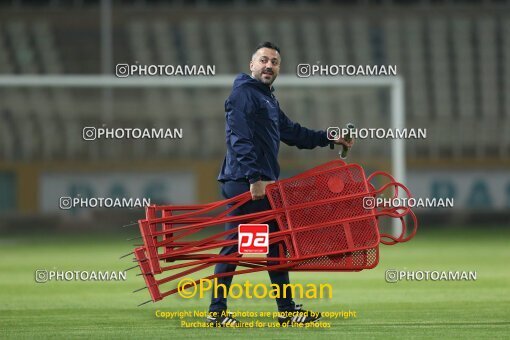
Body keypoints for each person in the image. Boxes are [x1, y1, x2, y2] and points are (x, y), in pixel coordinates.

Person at [206, 42, 353, 327]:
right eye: (263, 60)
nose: (269, 65)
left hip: (255, 181)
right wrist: (254, 178)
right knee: (247, 244)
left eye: (274, 62)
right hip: (245, 181)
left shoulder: (267, 98)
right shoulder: (243, 94)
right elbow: (239, 139)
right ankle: (221, 311)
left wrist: (329, 137)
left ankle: (280, 310)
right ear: (252, 65)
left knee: (270, 244)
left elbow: (293, 133)